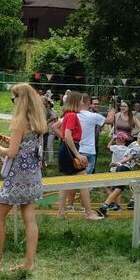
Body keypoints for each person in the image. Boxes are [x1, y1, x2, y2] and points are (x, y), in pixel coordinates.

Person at [0, 84, 48, 273]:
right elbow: (27, 146)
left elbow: (12, 152)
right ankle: (29, 263)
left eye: (13, 98)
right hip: (33, 176)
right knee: (30, 218)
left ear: (21, 99)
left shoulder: (19, 122)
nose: (13, 101)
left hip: (17, 177)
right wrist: (12, 143)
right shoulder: (37, 121)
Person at [97, 131, 140, 216]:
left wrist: (136, 163)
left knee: (136, 182)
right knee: (118, 189)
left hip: (123, 168)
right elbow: (129, 157)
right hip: (124, 168)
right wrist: (118, 163)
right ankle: (104, 207)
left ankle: (131, 202)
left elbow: (128, 155)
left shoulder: (133, 144)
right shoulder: (138, 149)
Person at [56, 90, 89, 220]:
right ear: (76, 102)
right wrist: (78, 155)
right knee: (84, 181)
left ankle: (60, 212)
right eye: (81, 100)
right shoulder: (72, 116)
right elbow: (68, 135)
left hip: (67, 148)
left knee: (65, 182)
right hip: (71, 148)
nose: (82, 102)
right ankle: (89, 212)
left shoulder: (68, 115)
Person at [73, 92, 107, 220]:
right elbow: (108, 121)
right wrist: (111, 114)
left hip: (77, 149)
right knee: (83, 181)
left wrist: (67, 139)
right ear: (88, 103)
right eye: (94, 103)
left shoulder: (72, 115)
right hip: (87, 151)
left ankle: (67, 207)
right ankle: (87, 211)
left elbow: (56, 126)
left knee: (73, 179)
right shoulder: (92, 116)